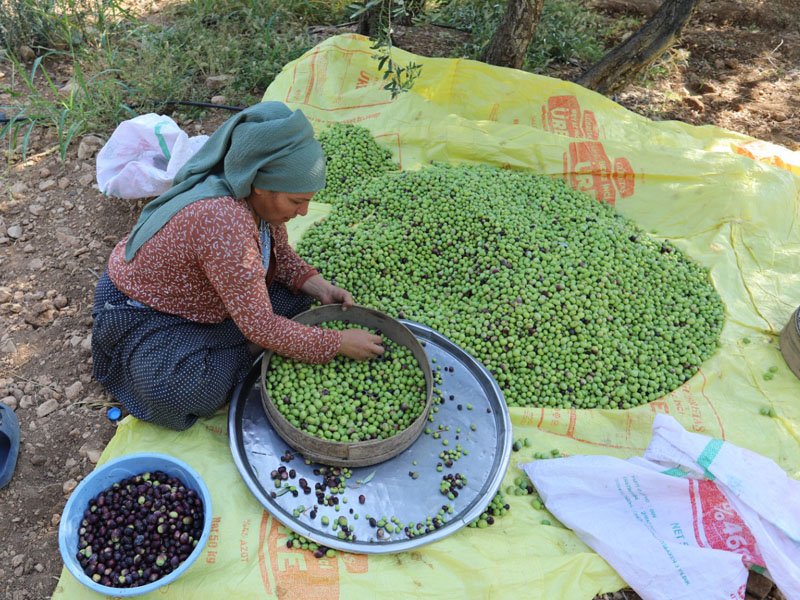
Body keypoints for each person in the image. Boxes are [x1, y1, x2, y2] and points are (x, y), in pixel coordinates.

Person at [92, 102, 384, 431]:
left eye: (308, 201)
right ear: (262, 186)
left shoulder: (250, 191)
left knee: (300, 299)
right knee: (181, 389)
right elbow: (260, 324)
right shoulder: (224, 222)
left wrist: (318, 285)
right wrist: (336, 343)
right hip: (147, 312)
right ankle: (244, 348)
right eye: (296, 201)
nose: (303, 212)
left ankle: (247, 339)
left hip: (206, 293)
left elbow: (278, 252)